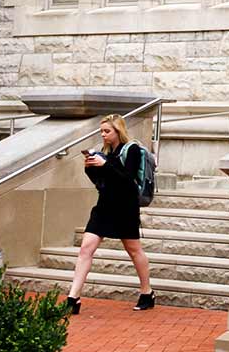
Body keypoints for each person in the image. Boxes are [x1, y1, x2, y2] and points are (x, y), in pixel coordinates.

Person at [66, 114, 153, 314]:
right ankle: (73, 298)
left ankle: (147, 292)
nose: (103, 135)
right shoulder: (105, 152)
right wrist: (90, 168)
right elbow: (101, 182)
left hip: (125, 208)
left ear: (118, 131)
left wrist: (105, 165)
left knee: (134, 250)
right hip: (104, 206)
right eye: (102, 131)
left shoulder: (130, 150)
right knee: (85, 249)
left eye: (107, 131)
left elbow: (127, 181)